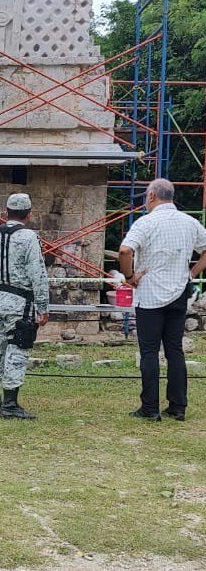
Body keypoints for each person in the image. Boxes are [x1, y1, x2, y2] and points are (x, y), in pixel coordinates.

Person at [119, 178, 206, 422]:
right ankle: (178, 406)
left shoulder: (145, 223)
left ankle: (150, 408)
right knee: (174, 350)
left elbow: (125, 251)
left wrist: (129, 276)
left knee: (149, 352)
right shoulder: (190, 222)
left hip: (150, 294)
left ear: (151, 197)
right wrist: (192, 273)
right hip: (179, 291)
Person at [0, 193, 49, 420]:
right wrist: (42, 306)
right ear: (29, 214)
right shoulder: (29, 238)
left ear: (5, 212)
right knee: (17, 348)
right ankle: (10, 403)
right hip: (20, 303)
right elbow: (37, 274)